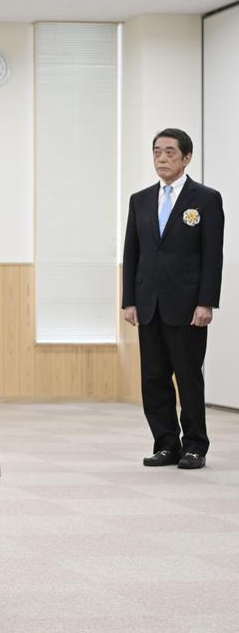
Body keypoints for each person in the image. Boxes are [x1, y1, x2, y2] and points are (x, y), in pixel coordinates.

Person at [122, 128, 224, 470]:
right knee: (153, 378)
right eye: (156, 152)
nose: (161, 158)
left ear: (186, 157)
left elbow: (212, 255)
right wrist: (129, 300)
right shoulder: (140, 200)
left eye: (169, 152)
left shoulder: (205, 199)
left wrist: (206, 301)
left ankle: (195, 445)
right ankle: (166, 443)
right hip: (148, 304)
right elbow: (132, 252)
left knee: (188, 376)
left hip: (188, 306)